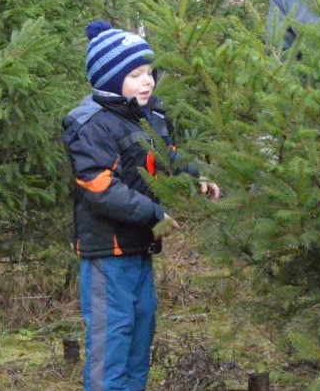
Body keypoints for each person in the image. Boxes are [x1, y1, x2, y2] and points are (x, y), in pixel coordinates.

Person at [63, 20, 221, 391]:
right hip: (107, 251)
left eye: (150, 72)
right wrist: (154, 214)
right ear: (109, 78)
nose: (147, 81)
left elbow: (167, 157)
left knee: (140, 329)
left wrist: (195, 175)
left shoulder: (149, 117)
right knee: (111, 336)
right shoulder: (91, 125)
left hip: (140, 245)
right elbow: (98, 186)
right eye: (135, 74)